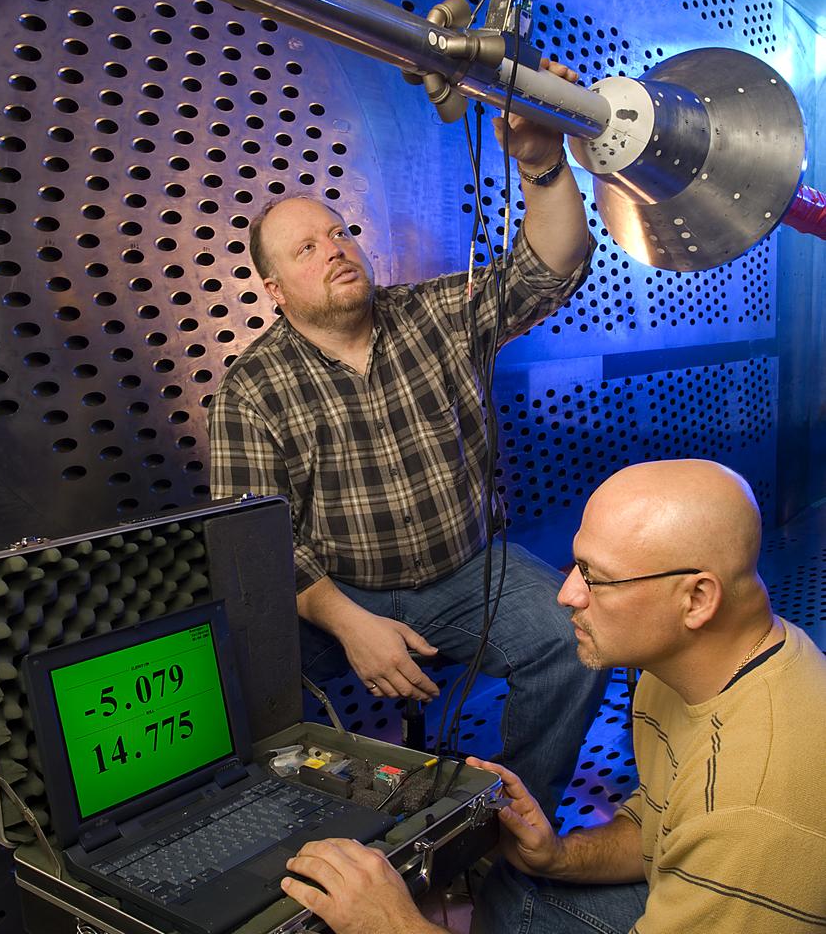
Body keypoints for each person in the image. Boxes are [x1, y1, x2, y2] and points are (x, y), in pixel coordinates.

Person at [209, 62, 605, 818]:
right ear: (274, 290)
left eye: (338, 232)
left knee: (574, 646)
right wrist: (351, 623)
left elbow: (548, 268)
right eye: (305, 249)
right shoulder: (250, 390)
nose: (334, 248)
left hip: (465, 570)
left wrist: (540, 161)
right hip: (338, 593)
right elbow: (257, 545)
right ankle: (318, 836)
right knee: (246, 679)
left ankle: (507, 818)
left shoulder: (433, 315)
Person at [279, 459, 826, 934]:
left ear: (697, 598)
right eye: (575, 566)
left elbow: (713, 827)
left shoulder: (751, 811)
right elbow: (660, 830)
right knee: (514, 891)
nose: (566, 594)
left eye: (596, 578)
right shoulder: (684, 664)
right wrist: (558, 856)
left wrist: (391, 925)